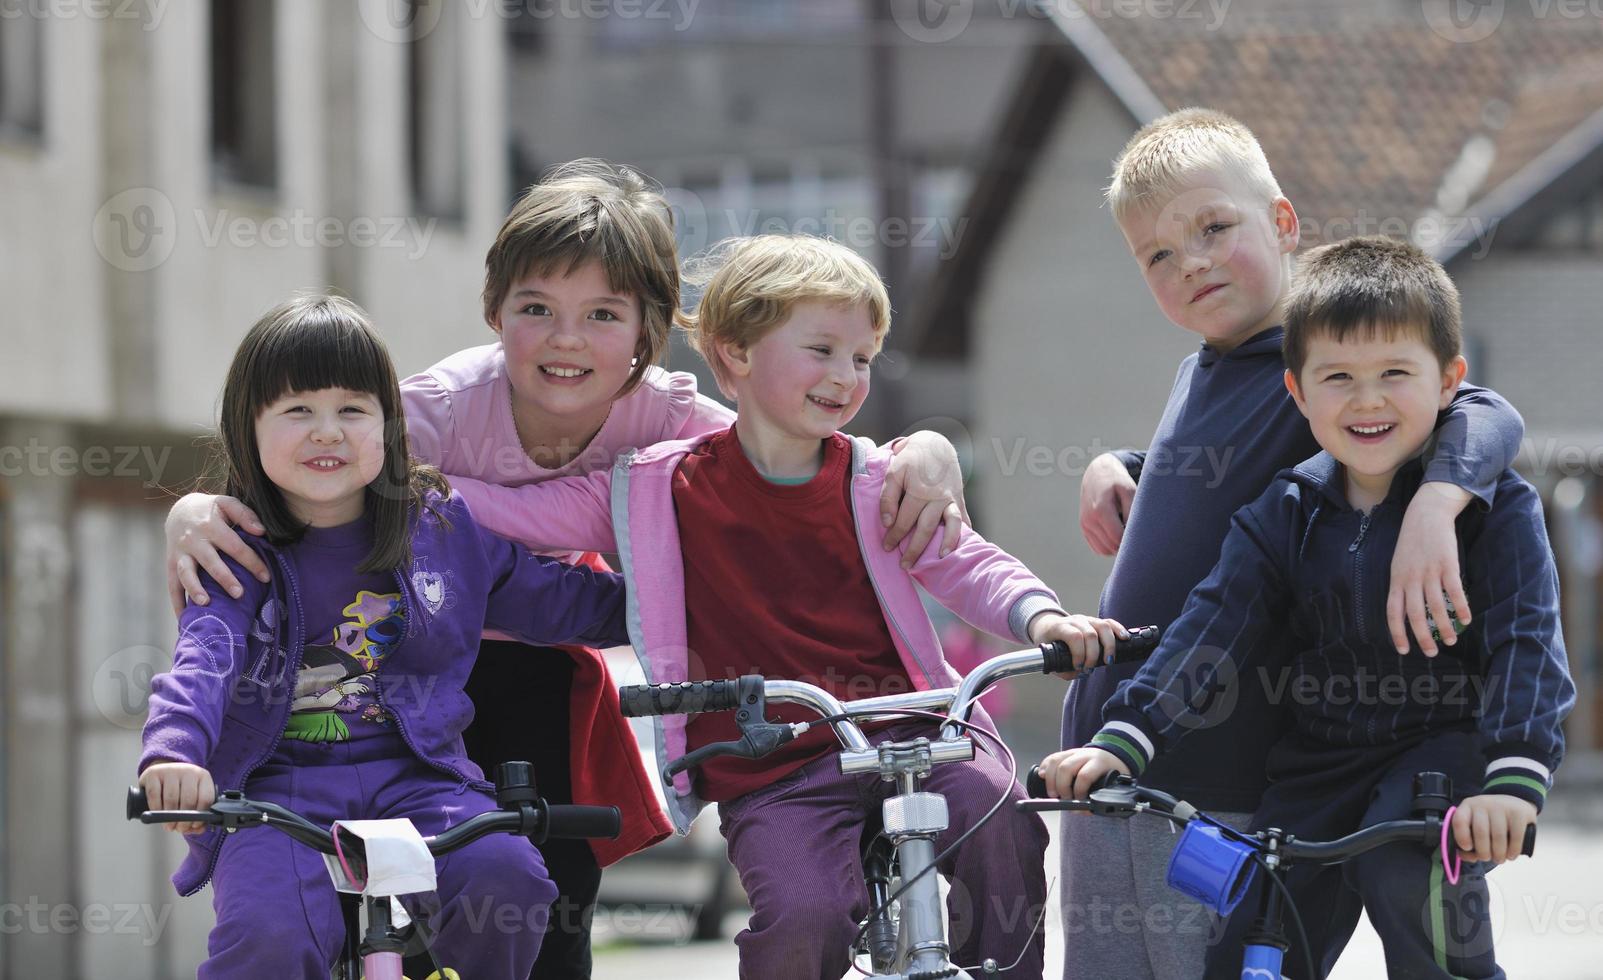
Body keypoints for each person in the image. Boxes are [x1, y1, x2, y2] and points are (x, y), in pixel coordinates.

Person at [158, 160, 970, 977]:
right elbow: (296, 475)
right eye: (536, 309)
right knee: (297, 910)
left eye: (603, 315)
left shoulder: (672, 420)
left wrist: (925, 451)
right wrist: (192, 511)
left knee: (544, 885)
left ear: (648, 331)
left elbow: (788, 455)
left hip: (542, 648)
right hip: (407, 665)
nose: (567, 338)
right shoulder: (424, 415)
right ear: (494, 312)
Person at [443, 234, 1124, 980]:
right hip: (774, 771)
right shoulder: (655, 489)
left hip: (915, 735)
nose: (845, 376)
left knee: (1001, 824)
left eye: (860, 358)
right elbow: (522, 514)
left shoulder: (877, 481)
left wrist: (1044, 619)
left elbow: (965, 563)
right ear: (733, 353)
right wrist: (394, 481)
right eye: (822, 350)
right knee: (803, 913)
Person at [1048, 108, 1528, 980]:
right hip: (1121, 752)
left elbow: (1484, 412)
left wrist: (1436, 504)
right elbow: (1200, 467)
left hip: (1223, 769)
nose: (1188, 260)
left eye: (1213, 228)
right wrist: (1113, 463)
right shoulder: (1204, 369)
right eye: (1156, 254)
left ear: (1280, 223)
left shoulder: (1332, 370)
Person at [138, 295, 635, 978]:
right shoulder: (233, 546)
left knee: (509, 879)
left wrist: (687, 603)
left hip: (419, 779)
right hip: (274, 793)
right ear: (246, 428)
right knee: (267, 934)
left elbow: (563, 602)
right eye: (296, 411)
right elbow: (203, 660)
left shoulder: (439, 528)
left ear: (388, 425)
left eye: (351, 410)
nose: (326, 432)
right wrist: (174, 754)